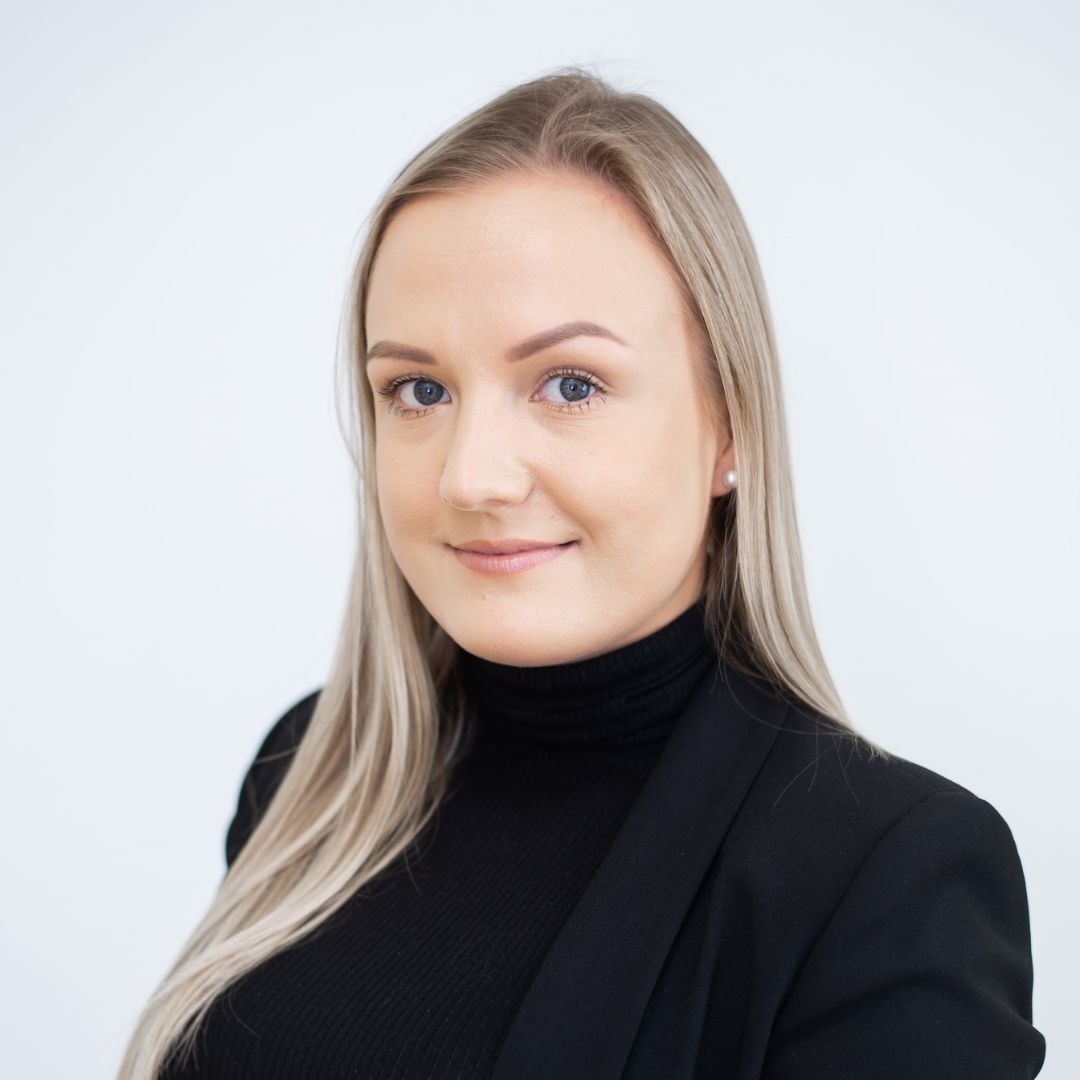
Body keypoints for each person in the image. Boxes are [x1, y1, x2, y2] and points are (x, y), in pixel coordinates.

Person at [118, 67, 1046, 1079]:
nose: (471, 477)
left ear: (729, 425)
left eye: (570, 385)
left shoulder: (887, 876)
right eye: (418, 390)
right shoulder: (312, 775)